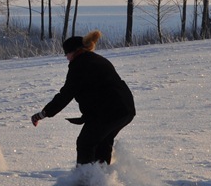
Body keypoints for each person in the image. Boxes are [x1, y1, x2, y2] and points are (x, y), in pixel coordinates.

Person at [31, 30, 136, 166]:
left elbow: (66, 94)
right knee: (102, 142)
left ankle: (83, 181)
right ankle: (100, 179)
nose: (66, 57)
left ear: (74, 51)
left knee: (86, 142)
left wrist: (43, 113)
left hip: (109, 111)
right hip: (124, 109)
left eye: (66, 53)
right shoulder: (96, 59)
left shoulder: (80, 65)